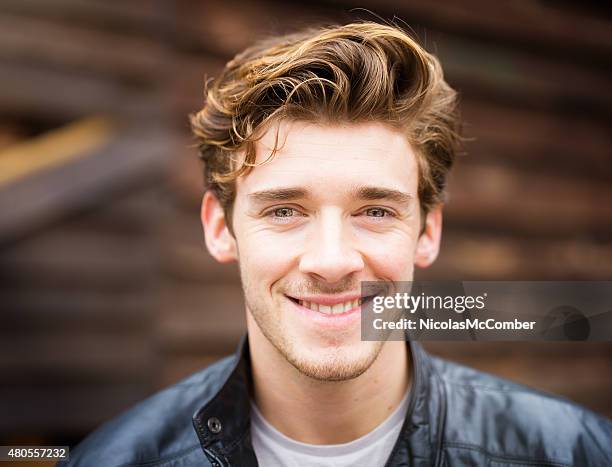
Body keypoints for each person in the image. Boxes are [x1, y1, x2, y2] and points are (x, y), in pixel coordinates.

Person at [62, 21, 612, 466]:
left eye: (374, 211)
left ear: (429, 231)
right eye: (284, 210)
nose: (332, 261)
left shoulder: (575, 452)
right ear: (219, 227)